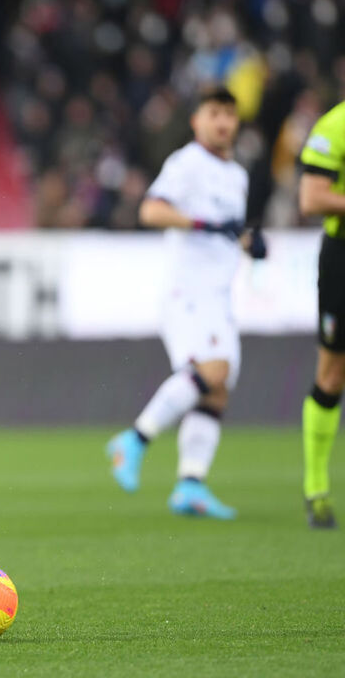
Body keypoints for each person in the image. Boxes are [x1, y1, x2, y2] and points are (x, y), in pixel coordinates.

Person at [106, 87, 263, 519]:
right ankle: (134, 440)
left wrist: (249, 241)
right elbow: (152, 211)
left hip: (218, 292)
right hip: (189, 292)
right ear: (197, 121)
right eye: (214, 113)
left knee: (217, 391)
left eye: (229, 114)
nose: (223, 122)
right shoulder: (187, 163)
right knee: (213, 371)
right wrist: (203, 222)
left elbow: (224, 229)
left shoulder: (237, 174)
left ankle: (190, 484)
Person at [297, 99, 345, 529]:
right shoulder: (336, 124)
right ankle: (316, 487)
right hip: (343, 257)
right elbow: (311, 198)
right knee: (332, 374)